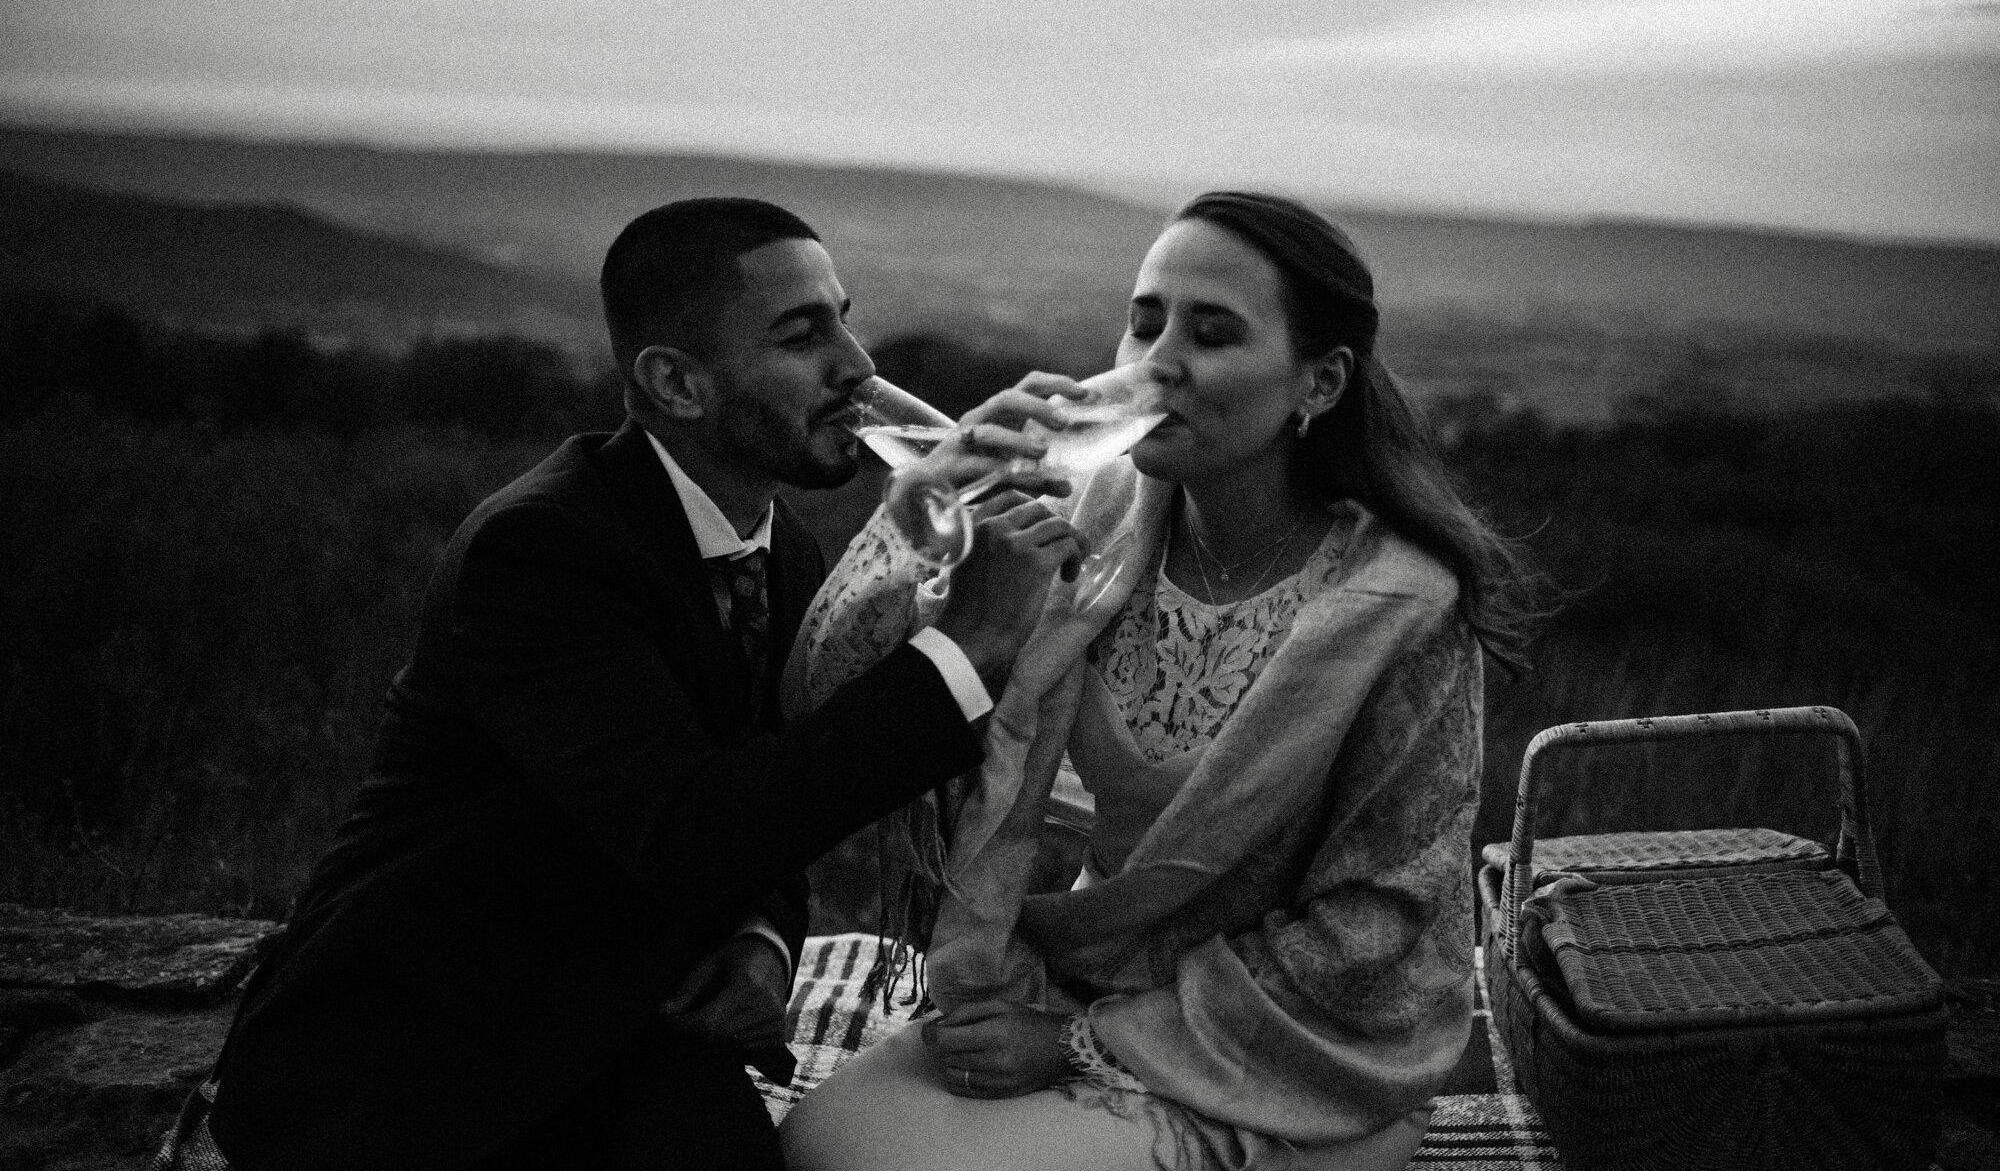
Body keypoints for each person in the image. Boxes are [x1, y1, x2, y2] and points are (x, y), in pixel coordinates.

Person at [154, 198, 1087, 1170]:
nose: (856, 365)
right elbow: (692, 825)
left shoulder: (784, 552)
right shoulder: (543, 550)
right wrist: (965, 646)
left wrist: (764, 939)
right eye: (802, 335)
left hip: (626, 1024)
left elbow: (773, 779)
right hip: (408, 1058)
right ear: (676, 383)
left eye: (843, 318)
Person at [778, 191, 1538, 1171]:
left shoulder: (1399, 607)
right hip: (1091, 978)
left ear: (1317, 383)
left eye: (1210, 333)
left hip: (1299, 1053)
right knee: (818, 1140)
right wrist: (929, 499)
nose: (1154, 361)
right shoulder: (1094, 519)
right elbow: (821, 701)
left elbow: (1371, 927)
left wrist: (1078, 1045)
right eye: (1143, 322)